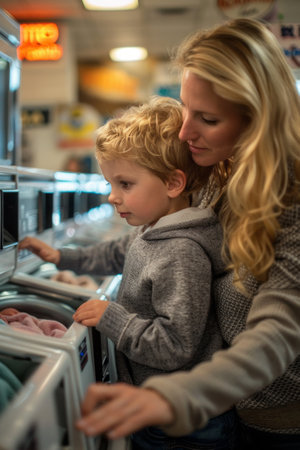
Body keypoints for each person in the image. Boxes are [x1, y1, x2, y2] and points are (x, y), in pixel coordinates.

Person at [74, 18, 300, 450]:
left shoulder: (291, 201)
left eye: (208, 118)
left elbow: (277, 332)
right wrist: (67, 258)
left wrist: (175, 396)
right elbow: (149, 240)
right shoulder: (219, 174)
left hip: (278, 420)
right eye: (185, 109)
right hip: (230, 405)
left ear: (257, 119)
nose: (184, 132)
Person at [19, 96, 239, 449]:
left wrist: (114, 319)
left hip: (187, 422)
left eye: (125, 184)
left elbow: (176, 346)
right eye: (110, 184)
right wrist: (61, 256)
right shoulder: (152, 230)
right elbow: (113, 253)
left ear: (172, 184)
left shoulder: (182, 251)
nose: (112, 197)